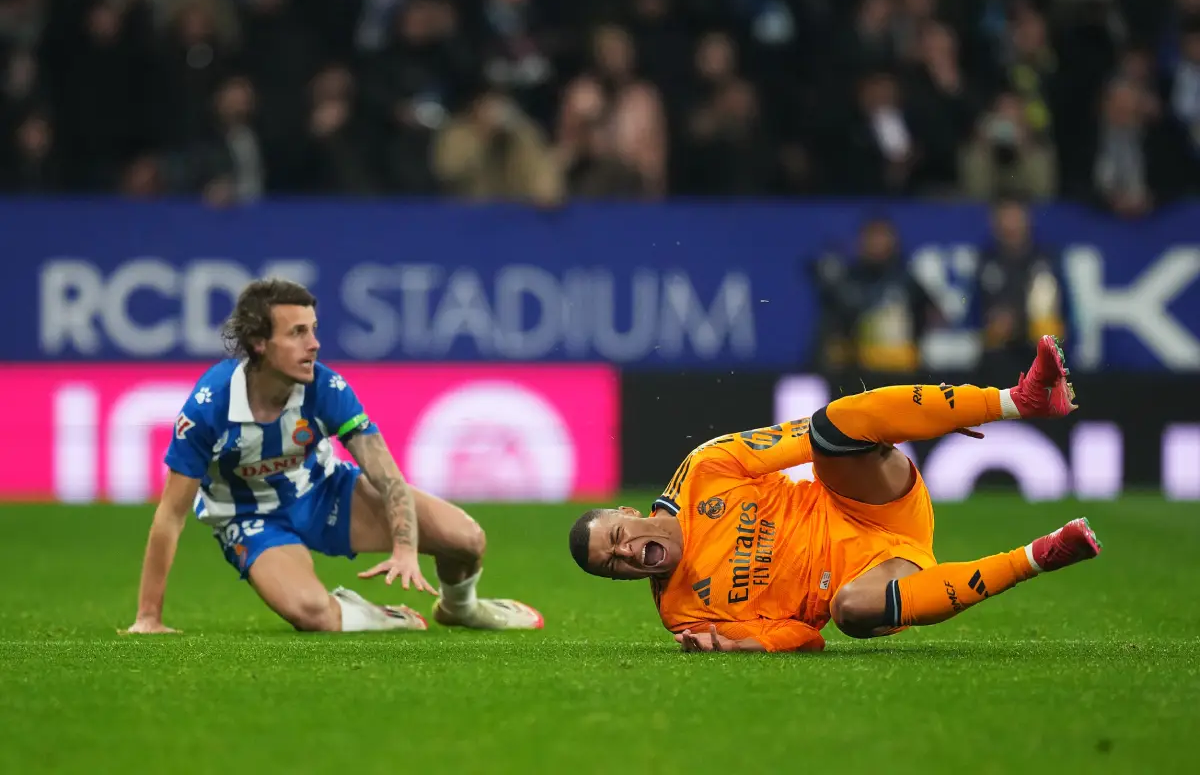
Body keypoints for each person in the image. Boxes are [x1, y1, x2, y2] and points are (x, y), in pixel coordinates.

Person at [568, 335, 1100, 652]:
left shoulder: (706, 469)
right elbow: (805, 636)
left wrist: (914, 419)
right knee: (849, 609)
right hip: (873, 582)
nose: (624, 553)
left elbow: (811, 432)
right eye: (612, 565)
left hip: (869, 500)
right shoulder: (681, 614)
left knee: (830, 426)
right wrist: (737, 645)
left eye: (616, 537)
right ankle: (1041, 556)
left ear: (626, 511)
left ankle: (1018, 400)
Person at [125, 278, 543, 634]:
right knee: (311, 613)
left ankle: (461, 608)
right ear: (258, 343)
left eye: (314, 330)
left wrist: (404, 548)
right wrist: (148, 617)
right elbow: (171, 514)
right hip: (249, 518)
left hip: (325, 491)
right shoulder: (208, 408)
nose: (314, 345)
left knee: (467, 540)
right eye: (297, 333)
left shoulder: (325, 387)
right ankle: (380, 617)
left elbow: (386, 475)